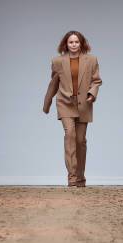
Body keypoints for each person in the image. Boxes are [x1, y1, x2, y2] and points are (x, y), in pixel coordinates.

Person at [43, 31, 102, 187]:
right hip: (65, 102)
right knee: (70, 134)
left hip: (84, 104)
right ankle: (72, 177)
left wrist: (92, 94)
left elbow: (96, 81)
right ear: (65, 44)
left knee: (80, 140)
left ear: (81, 43)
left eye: (76, 42)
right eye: (71, 42)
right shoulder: (57, 61)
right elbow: (54, 83)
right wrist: (47, 103)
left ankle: (81, 177)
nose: (74, 45)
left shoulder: (91, 60)